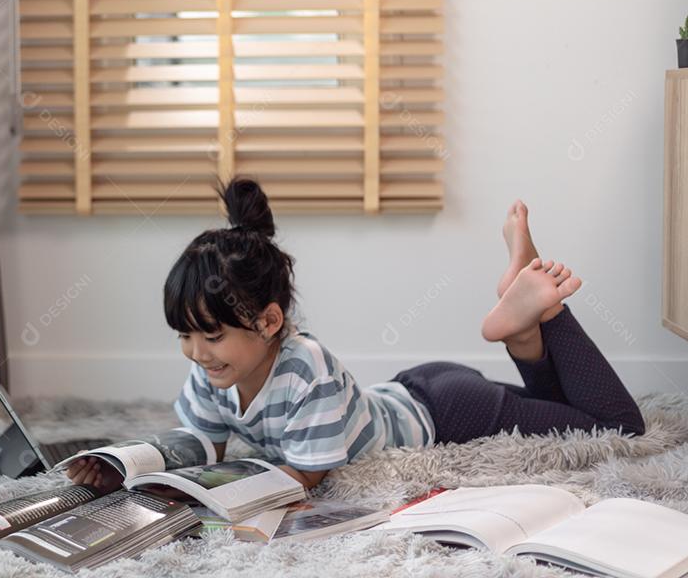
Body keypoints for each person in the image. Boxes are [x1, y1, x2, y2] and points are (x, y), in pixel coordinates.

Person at [67, 178, 645, 492]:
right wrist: (133, 465)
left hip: (449, 412)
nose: (196, 353)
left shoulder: (305, 366)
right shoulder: (211, 370)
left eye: (211, 336)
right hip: (420, 390)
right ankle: (521, 325)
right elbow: (202, 440)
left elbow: (305, 477)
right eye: (185, 336)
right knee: (562, 408)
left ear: (269, 322)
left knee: (616, 426)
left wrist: (203, 499)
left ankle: (547, 314)